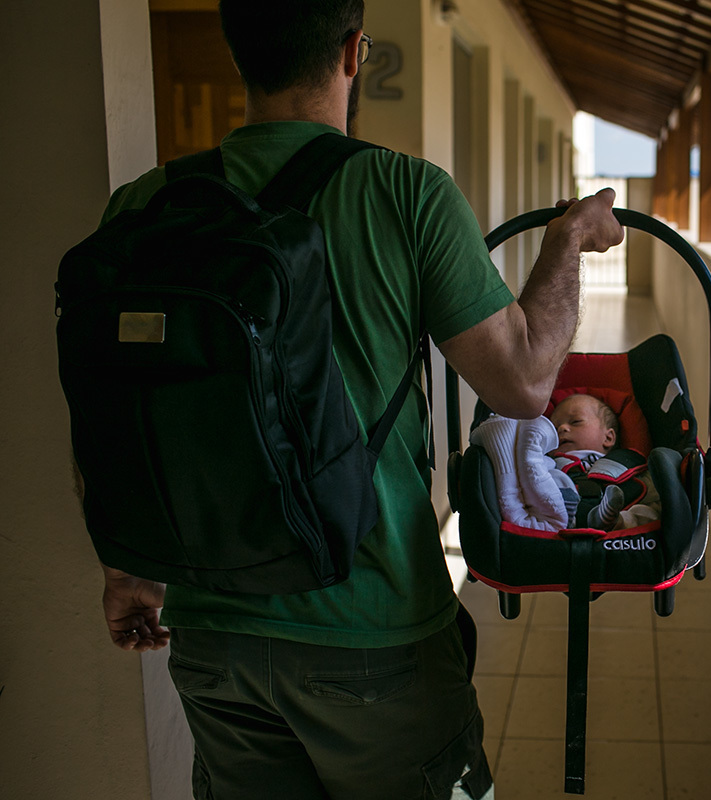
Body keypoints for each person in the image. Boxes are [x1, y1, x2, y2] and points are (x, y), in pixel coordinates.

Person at [93, 2, 624, 799]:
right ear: (353, 53)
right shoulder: (404, 191)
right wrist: (566, 242)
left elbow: (111, 409)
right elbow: (522, 384)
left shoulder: (141, 206)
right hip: (374, 627)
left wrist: (127, 564)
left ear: (237, 53)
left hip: (211, 634)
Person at [471, 393, 659, 531]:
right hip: (556, 508)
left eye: (576, 422)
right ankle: (589, 518)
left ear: (608, 438)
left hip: (618, 508)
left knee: (653, 506)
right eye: (553, 427)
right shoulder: (545, 461)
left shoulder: (627, 461)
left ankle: (613, 520)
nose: (562, 428)